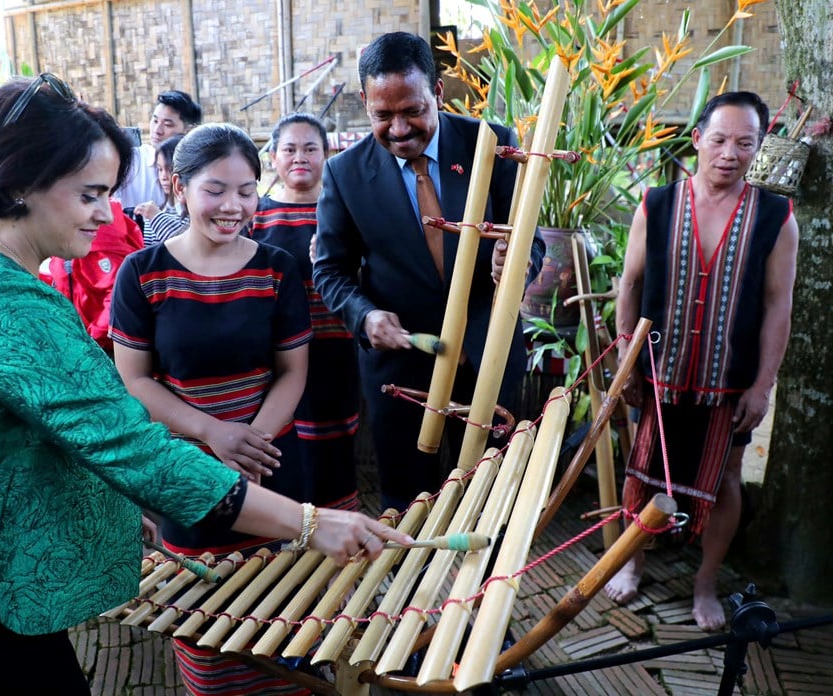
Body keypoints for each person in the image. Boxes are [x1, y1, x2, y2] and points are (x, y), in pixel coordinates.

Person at [0, 75, 411, 695]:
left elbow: (43, 425)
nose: (104, 213)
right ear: (19, 184)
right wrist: (308, 524)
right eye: (89, 194)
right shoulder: (4, 297)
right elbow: (130, 444)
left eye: (108, 193)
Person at [110, 122, 319, 695]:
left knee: (287, 611)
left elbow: (292, 371)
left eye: (247, 190)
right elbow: (134, 381)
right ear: (179, 188)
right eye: (216, 190)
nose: (234, 206)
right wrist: (213, 436)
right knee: (206, 617)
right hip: (186, 472)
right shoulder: (143, 274)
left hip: (273, 462)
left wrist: (251, 444)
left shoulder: (277, 267)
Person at [312, 32, 545, 510]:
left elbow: (528, 238)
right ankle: (407, 579)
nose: (399, 128)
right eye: (382, 115)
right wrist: (364, 316)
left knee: (491, 491)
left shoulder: (492, 144)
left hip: (487, 353)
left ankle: (483, 579)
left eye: (413, 111)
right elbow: (331, 270)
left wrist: (515, 262)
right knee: (407, 497)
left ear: (438, 93)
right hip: (401, 366)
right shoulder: (345, 174)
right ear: (364, 103)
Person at [604, 92, 799, 632]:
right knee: (640, 472)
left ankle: (705, 582)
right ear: (697, 140)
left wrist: (763, 387)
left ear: (758, 148)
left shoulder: (777, 217)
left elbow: (777, 307)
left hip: (729, 381)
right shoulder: (657, 204)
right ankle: (632, 564)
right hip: (658, 373)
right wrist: (626, 358)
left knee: (727, 479)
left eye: (745, 143)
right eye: (719, 140)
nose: (729, 154)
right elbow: (630, 285)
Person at [251, 113, 361, 511]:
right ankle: (290, 531)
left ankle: (338, 534)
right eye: (290, 149)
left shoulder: (346, 213)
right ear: (275, 159)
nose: (300, 157)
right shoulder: (255, 216)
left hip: (336, 350)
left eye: (310, 148)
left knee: (334, 443)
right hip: (275, 357)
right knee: (284, 443)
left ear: (327, 155)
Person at [47, 198, 143, 352]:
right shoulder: (73, 230)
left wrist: (92, 340)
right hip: (78, 336)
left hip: (101, 347)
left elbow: (116, 295)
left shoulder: (97, 238)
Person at [116, 89, 202, 211]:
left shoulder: (198, 171)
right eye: (155, 121)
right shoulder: (130, 161)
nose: (157, 130)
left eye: (167, 124)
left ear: (188, 131)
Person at [135, 134, 190, 245]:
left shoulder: (194, 212)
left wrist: (156, 217)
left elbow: (184, 243)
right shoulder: (162, 209)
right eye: (160, 169)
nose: (163, 176)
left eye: (169, 169)